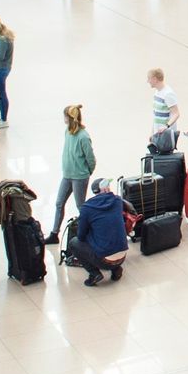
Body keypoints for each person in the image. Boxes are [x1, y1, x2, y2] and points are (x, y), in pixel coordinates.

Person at [46, 104, 95, 244]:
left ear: (69, 117)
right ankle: (54, 233)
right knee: (59, 203)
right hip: (67, 175)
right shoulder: (67, 132)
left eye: (64, 115)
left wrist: (88, 171)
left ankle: (89, 232)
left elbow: (90, 158)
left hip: (79, 177)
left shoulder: (83, 136)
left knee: (81, 206)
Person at [69, 179, 133, 286]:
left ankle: (94, 273)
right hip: (122, 256)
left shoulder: (87, 208)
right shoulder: (117, 201)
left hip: (104, 260)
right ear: (106, 188)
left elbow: (81, 236)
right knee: (110, 234)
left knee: (74, 243)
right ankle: (116, 269)